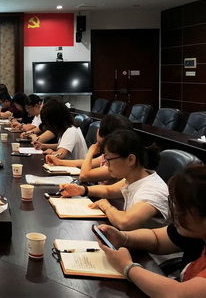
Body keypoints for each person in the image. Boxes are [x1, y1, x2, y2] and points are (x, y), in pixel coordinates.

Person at [96, 164, 206, 296]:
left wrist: (127, 267)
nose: (175, 214)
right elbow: (156, 238)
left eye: (182, 210)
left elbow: (178, 294)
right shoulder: (195, 232)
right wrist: (123, 237)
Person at [59, 129, 169, 230]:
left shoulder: (152, 191)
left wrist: (106, 206)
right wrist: (81, 190)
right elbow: (109, 191)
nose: (106, 165)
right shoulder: (136, 177)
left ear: (130, 159)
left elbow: (125, 222)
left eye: (109, 160)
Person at [46, 114, 133, 184]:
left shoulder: (117, 162)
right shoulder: (107, 155)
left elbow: (84, 176)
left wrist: (90, 152)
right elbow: (84, 163)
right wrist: (59, 162)